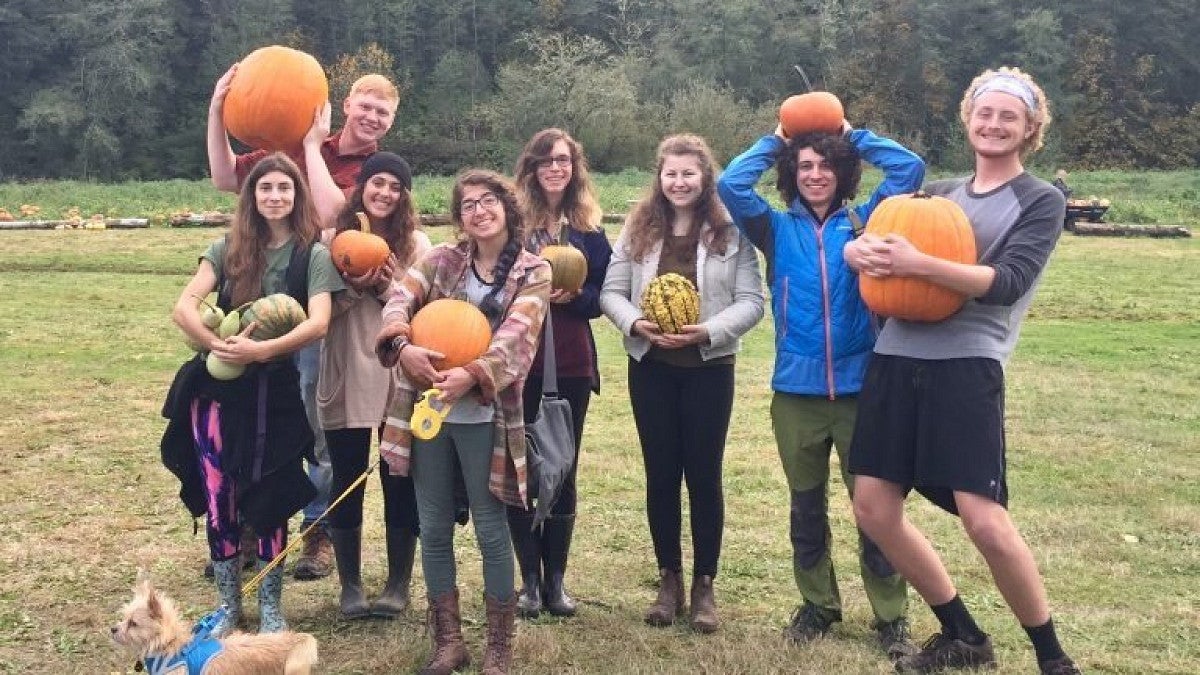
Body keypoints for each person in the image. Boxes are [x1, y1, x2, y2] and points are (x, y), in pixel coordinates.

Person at [845, 67, 1081, 675]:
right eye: (985, 112)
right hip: (896, 357)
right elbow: (875, 253)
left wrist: (918, 262)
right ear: (968, 117)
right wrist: (858, 250)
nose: (994, 124)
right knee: (873, 507)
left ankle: (1052, 658)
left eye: (1009, 116)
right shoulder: (938, 194)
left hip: (967, 365)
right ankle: (962, 633)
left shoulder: (1040, 200)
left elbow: (1005, 284)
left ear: (1031, 129)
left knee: (983, 518)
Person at [717, 116, 924, 656]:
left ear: (844, 170)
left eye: (826, 164)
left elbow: (910, 168)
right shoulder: (773, 229)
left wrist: (850, 134)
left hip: (863, 388)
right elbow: (730, 185)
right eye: (804, 166)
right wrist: (778, 139)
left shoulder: (867, 220)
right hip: (796, 392)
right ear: (791, 173)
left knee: (878, 511)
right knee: (805, 507)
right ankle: (817, 605)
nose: (815, 174)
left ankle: (891, 614)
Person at [206, 69, 401, 581]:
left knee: (319, 419)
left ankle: (318, 530)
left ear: (391, 120)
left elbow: (337, 212)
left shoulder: (376, 169)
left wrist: (312, 147)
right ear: (347, 103)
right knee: (258, 411)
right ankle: (253, 524)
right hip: (274, 294)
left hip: (326, 302)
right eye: (365, 105)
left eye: (383, 111)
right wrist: (216, 111)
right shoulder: (295, 143)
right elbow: (227, 178)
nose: (371, 117)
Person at [375, 170, 550, 675]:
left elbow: (519, 337)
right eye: (468, 205)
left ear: (507, 207)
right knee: (432, 524)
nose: (479, 211)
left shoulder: (533, 270)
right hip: (429, 413)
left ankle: (499, 645)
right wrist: (402, 346)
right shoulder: (440, 261)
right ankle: (448, 640)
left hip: (483, 416)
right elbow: (397, 300)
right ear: (460, 218)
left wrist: (473, 375)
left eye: (488, 201)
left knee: (491, 526)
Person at [162, 153, 344, 635]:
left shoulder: (314, 255)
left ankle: (270, 608)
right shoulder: (226, 248)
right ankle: (228, 607)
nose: (275, 197)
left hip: (276, 393)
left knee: (271, 496)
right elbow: (184, 307)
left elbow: (319, 322)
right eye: (266, 189)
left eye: (285, 188)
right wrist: (217, 344)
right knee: (220, 496)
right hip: (219, 396)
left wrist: (260, 353)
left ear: (297, 196)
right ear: (252, 196)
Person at [600, 134, 764, 633]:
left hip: (709, 370)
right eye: (671, 173)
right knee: (661, 473)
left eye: (688, 173)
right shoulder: (638, 227)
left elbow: (752, 301)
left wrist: (708, 330)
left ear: (705, 176)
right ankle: (668, 578)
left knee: (704, 475)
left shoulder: (729, 231)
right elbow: (612, 291)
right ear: (659, 176)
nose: (679, 182)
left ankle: (705, 586)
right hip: (651, 368)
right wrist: (634, 323)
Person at [311, 152, 432, 619]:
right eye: (376, 183)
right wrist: (356, 286)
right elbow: (317, 312)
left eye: (395, 186)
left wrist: (386, 288)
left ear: (404, 195)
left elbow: (426, 311)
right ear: (360, 188)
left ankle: (398, 582)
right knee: (347, 476)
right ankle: (351, 584)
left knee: (399, 475)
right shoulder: (329, 242)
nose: (384, 193)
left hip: (398, 371)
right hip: (346, 366)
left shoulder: (418, 244)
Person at [508, 128, 612, 618]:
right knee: (521, 466)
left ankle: (556, 583)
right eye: (547, 160)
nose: (556, 168)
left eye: (564, 161)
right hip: (519, 360)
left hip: (570, 359)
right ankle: (527, 580)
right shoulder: (512, 225)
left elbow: (605, 292)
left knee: (563, 464)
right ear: (531, 167)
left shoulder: (587, 229)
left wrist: (577, 297)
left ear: (575, 168)